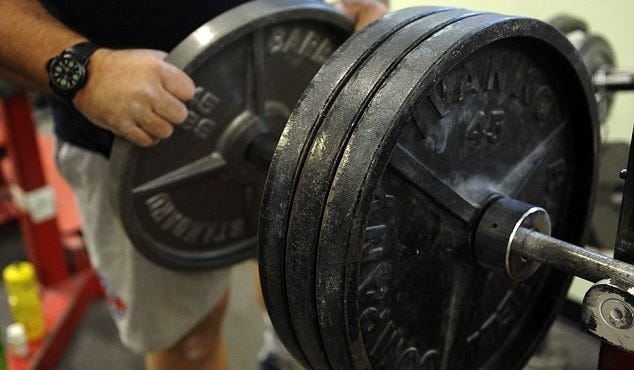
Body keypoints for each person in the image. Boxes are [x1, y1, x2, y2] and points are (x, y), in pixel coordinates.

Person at [0, 0, 388, 369]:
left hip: (296, 72)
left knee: (310, 299)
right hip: (134, 138)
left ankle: (283, 358)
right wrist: (87, 72)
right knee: (190, 346)